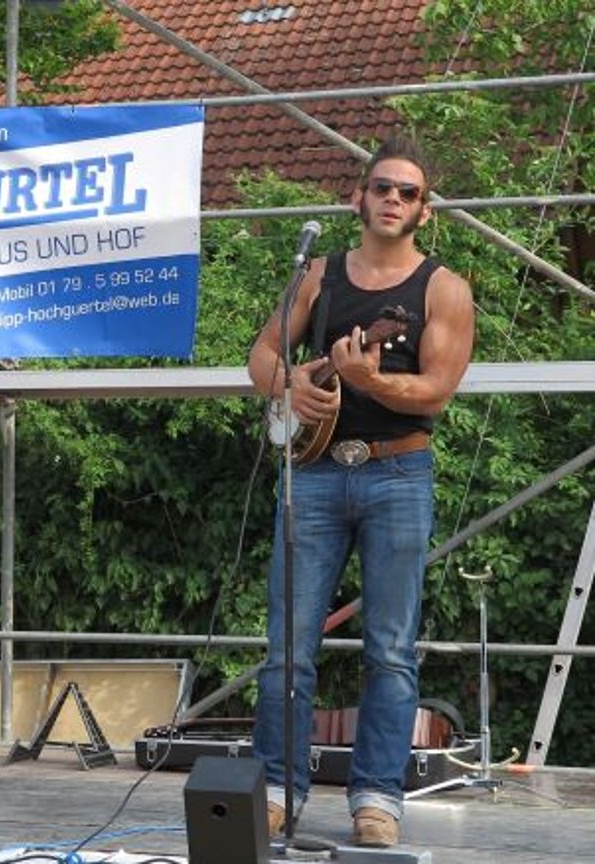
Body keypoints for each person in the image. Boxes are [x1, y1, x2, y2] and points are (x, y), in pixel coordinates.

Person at [247, 134, 475, 847]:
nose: (394, 200)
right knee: (288, 645)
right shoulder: (317, 274)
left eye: (408, 192)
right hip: (313, 472)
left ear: (424, 212)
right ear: (359, 197)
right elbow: (260, 354)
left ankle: (377, 799)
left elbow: (436, 388)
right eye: (383, 188)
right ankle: (277, 791)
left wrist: (368, 380)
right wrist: (294, 386)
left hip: (398, 473)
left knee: (391, 647)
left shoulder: (442, 289)